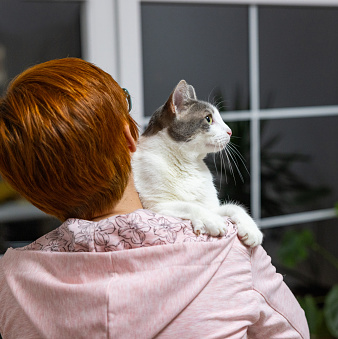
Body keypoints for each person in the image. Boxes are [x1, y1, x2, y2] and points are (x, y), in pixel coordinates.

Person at [0, 58, 309, 339]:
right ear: (129, 137)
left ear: (26, 186)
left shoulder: (11, 282)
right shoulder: (228, 249)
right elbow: (294, 332)